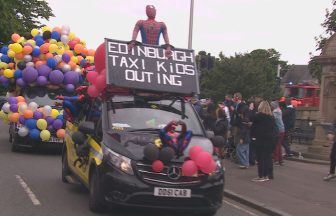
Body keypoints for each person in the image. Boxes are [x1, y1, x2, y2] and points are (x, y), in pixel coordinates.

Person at [251, 101, 278, 182]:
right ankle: (269, 174)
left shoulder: (258, 116)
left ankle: (262, 175)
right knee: (268, 157)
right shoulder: (271, 117)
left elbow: (254, 128)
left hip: (261, 139)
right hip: (271, 139)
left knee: (260, 158)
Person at [232, 92, 250, 169]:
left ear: (237, 98)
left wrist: (234, 111)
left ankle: (244, 163)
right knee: (244, 147)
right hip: (240, 126)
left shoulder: (242, 106)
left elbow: (240, 114)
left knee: (241, 146)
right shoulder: (237, 105)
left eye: (234, 97)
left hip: (241, 127)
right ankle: (245, 162)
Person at [270, 101, 285, 166]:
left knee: (276, 145)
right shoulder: (279, 111)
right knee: (279, 145)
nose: (270, 107)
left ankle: (276, 160)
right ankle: (280, 160)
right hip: (282, 130)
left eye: (271, 106)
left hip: (278, 130)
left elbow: (272, 119)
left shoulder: (275, 112)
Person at [247, 101, 257, 166]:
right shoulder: (248, 112)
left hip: (253, 131)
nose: (252, 106)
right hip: (250, 131)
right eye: (251, 105)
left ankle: (252, 160)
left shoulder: (254, 112)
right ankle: (251, 160)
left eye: (252, 105)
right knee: (250, 146)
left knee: (252, 146)